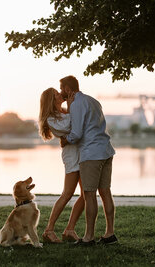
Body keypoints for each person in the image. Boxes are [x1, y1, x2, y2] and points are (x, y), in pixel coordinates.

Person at [59, 75, 118, 246]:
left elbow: (76, 134)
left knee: (89, 195)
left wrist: (65, 139)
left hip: (91, 154)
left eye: (62, 89)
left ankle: (88, 237)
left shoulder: (77, 104)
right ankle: (110, 234)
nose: (61, 92)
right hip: (106, 150)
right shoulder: (93, 101)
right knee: (106, 192)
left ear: (68, 89)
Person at [38, 87, 85, 243]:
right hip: (72, 156)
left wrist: (71, 108)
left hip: (82, 154)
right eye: (57, 94)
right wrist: (72, 107)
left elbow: (79, 126)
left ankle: (69, 229)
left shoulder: (65, 111)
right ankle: (48, 230)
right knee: (67, 193)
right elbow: (70, 126)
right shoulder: (51, 118)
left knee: (86, 194)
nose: (61, 95)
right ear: (52, 100)